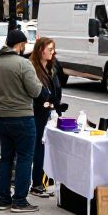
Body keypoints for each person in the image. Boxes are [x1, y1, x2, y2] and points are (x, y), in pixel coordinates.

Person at [0, 30, 47, 214]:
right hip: (22, 116)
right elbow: (36, 91)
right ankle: (20, 200)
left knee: (5, 158)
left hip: (2, 117)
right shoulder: (23, 64)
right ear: (20, 44)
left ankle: (3, 198)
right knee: (24, 158)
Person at [29, 37, 66, 198]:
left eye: (53, 50)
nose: (52, 53)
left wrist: (56, 105)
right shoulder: (32, 68)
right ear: (40, 51)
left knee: (45, 147)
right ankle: (36, 183)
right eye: (49, 50)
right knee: (38, 146)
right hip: (36, 113)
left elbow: (55, 88)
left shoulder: (51, 67)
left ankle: (43, 181)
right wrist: (47, 102)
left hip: (50, 112)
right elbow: (34, 92)